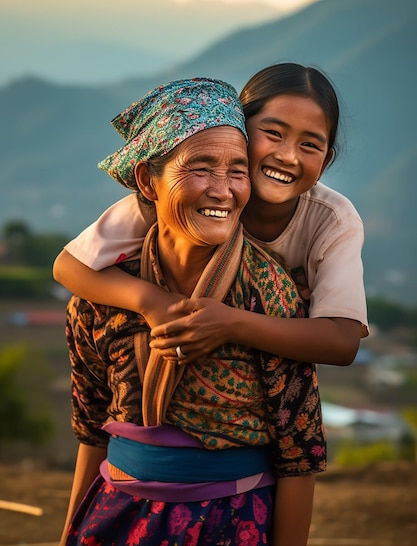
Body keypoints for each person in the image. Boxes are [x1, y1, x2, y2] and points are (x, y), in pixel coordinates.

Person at [58, 77, 326, 546]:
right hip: (115, 517)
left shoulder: (269, 295)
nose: (222, 192)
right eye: (201, 168)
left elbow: (298, 457)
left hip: (233, 524)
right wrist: (72, 533)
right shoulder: (103, 297)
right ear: (147, 180)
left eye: (238, 171)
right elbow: (92, 428)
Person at [54, 63, 368, 370]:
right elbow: (70, 265)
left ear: (326, 161)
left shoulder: (333, 221)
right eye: (273, 133)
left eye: (310, 145)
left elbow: (342, 341)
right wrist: (152, 301)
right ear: (239, 129)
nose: (288, 156)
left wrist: (230, 323)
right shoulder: (179, 198)